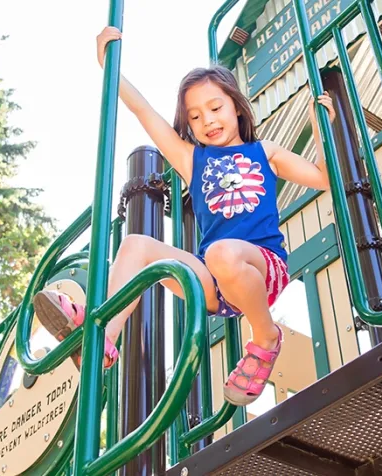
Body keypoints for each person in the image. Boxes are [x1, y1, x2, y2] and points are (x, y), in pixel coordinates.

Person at [32, 26, 336, 406]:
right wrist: (111, 65)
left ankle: (265, 335)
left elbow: (324, 177)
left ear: (236, 106)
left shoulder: (265, 152)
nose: (207, 121)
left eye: (214, 108)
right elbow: (145, 112)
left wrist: (321, 126)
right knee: (135, 243)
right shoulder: (194, 161)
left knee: (223, 253)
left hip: (261, 269)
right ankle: (104, 339)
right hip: (214, 282)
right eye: (195, 117)